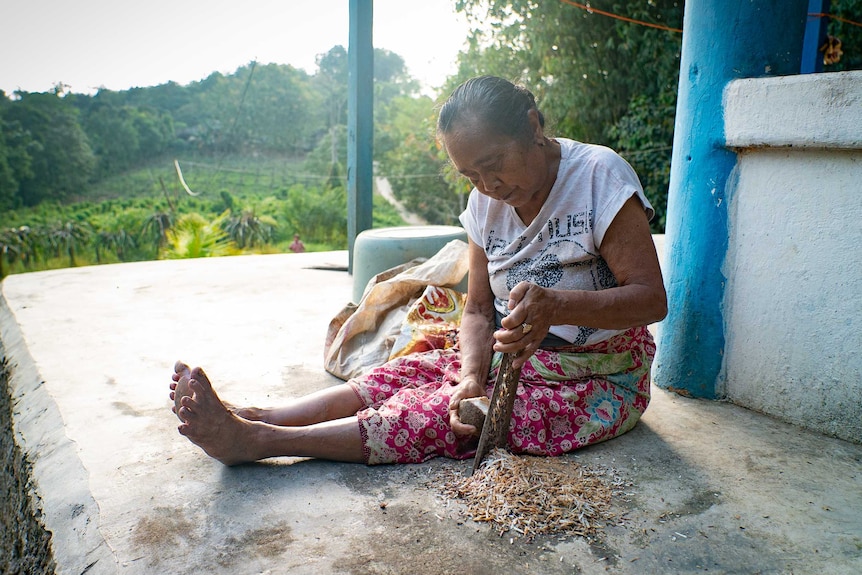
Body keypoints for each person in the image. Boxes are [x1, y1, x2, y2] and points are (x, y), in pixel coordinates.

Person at [170, 75, 667, 466]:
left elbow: (650, 298)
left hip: (597, 375)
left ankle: (258, 441)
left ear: (533, 126)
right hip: (507, 359)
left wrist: (558, 305)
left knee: (434, 418)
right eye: (470, 174)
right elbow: (475, 309)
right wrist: (472, 374)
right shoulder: (483, 203)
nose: (487, 185)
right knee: (399, 376)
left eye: (493, 163)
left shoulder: (599, 176)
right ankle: (260, 414)